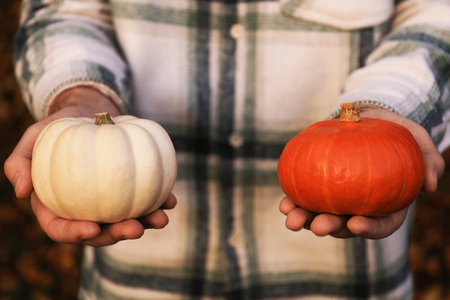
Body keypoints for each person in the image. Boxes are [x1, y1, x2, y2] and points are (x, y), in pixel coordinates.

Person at [4, 0, 449, 299]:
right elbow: (63, 10)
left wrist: (387, 109)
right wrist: (81, 97)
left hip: (342, 282)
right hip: (140, 281)